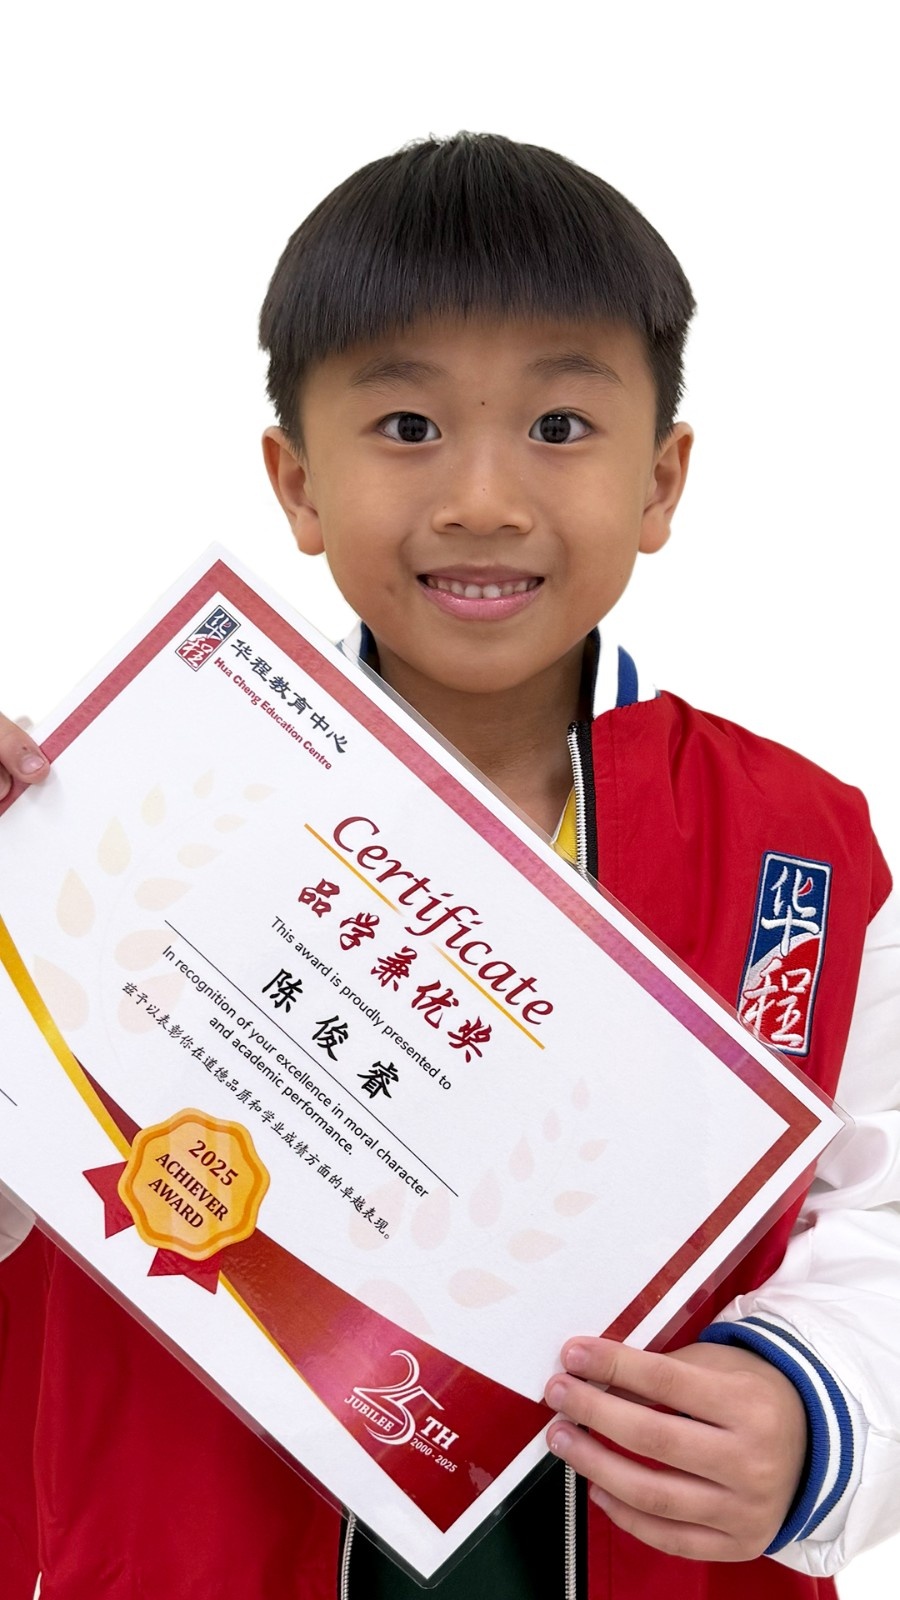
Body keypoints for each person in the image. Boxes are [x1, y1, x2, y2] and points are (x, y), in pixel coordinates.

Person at [0, 131, 898, 1600]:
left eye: (560, 425)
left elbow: (882, 1208)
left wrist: (816, 1403)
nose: (483, 497)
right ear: (296, 481)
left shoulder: (795, 846)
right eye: (408, 426)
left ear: (663, 481)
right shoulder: (107, 811)